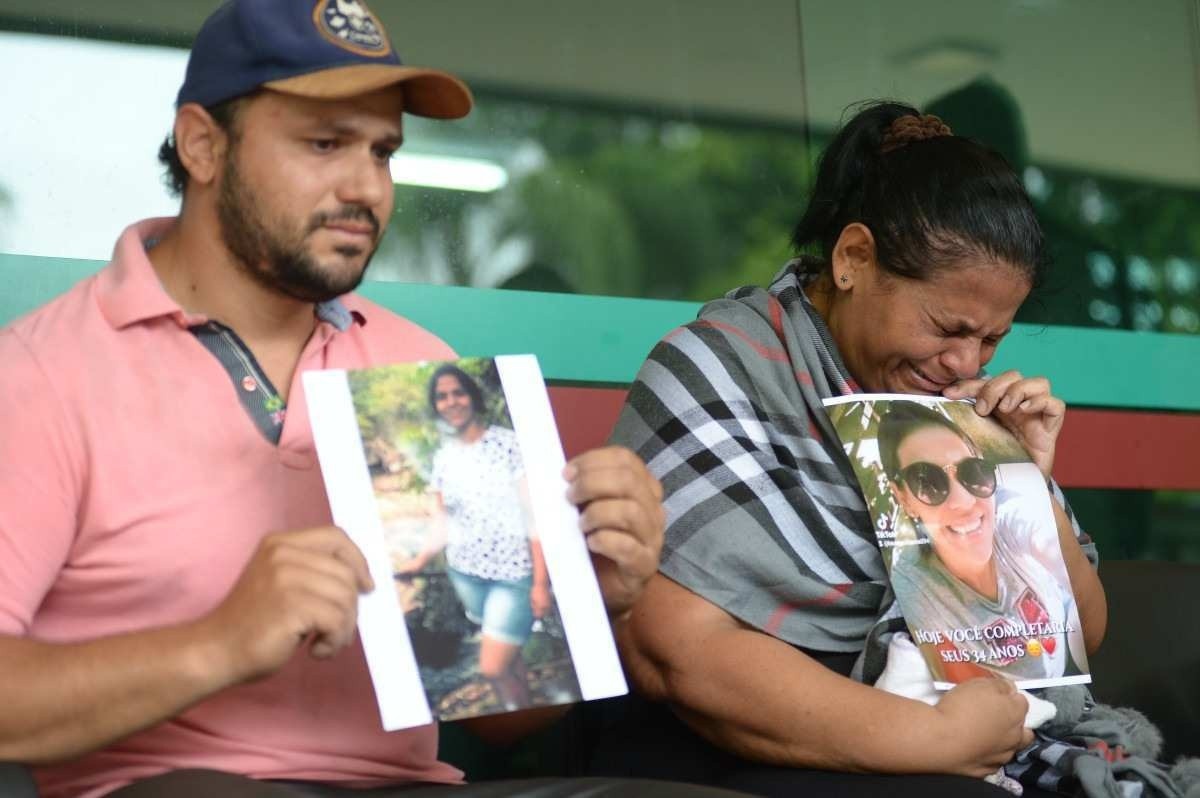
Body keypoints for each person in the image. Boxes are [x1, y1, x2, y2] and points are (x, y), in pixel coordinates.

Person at [0, 3, 748, 797]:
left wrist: (592, 598)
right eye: (324, 144)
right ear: (202, 144)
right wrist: (219, 643)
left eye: (383, 151)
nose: (367, 187)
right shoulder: (43, 372)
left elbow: (499, 708)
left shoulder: (422, 372)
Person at [605, 101, 1107, 796]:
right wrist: (929, 739)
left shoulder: (962, 414)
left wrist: (1023, 490)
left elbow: (1079, 638)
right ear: (853, 259)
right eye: (946, 326)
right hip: (737, 761)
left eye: (991, 339)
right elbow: (677, 652)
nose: (965, 363)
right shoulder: (720, 369)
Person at [877, 402, 1086, 684]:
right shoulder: (913, 581)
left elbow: (1093, 636)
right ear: (903, 497)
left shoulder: (1012, 513)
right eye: (927, 482)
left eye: (971, 472)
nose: (963, 502)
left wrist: (1040, 492)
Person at [397, 365, 551, 711]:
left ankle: (517, 720)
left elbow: (533, 516)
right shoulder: (442, 458)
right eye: (442, 396)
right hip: (466, 575)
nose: (451, 402)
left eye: (457, 392)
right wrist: (419, 561)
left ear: (472, 396)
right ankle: (523, 708)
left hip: (514, 576)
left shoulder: (509, 445)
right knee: (509, 657)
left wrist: (540, 582)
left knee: (491, 666)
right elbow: (442, 522)